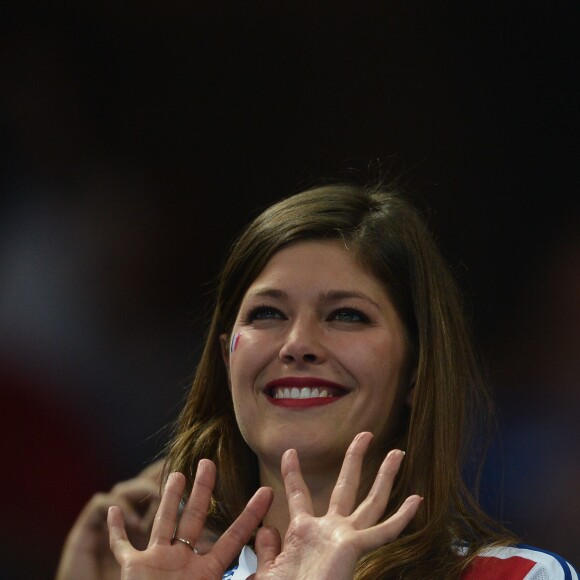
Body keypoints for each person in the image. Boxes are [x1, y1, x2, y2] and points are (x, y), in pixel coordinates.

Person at [59, 183, 578, 579]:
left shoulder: (516, 577)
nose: (296, 343)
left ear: (418, 369)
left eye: (347, 316)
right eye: (266, 313)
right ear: (226, 360)